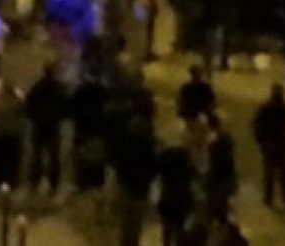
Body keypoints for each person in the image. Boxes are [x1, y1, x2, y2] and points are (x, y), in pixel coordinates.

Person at [112, 101, 157, 246]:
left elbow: (121, 156)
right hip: (140, 183)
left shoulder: (129, 131)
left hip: (128, 180)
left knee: (127, 220)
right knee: (135, 221)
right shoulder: (148, 137)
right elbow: (151, 161)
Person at [253, 84, 285, 211]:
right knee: (283, 173)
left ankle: (270, 198)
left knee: (271, 173)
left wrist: (261, 142)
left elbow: (257, 126)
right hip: (279, 144)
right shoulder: (282, 107)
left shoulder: (267, 107)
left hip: (272, 144)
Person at [25, 63, 66, 195]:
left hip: (39, 125)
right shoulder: (59, 88)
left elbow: (29, 104)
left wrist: (35, 117)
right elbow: (65, 106)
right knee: (53, 156)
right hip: (53, 125)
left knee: (37, 156)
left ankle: (34, 183)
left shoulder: (37, 87)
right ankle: (53, 184)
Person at [70, 71, 108, 193]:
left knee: (82, 156)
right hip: (97, 128)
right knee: (97, 157)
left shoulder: (80, 91)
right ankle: (96, 181)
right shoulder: (101, 91)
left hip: (83, 128)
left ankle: (83, 182)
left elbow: (72, 108)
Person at [0, 80, 26, 190]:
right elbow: (23, 111)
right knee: (12, 160)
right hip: (13, 134)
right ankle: (12, 181)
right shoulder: (16, 102)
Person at [156, 146, 197, 246]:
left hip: (167, 200)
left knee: (167, 229)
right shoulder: (186, 172)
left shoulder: (166, 175)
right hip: (182, 200)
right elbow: (195, 175)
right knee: (179, 228)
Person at [204, 113, 237, 224]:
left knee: (215, 206)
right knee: (222, 205)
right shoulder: (226, 137)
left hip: (217, 176)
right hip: (226, 174)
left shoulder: (212, 140)